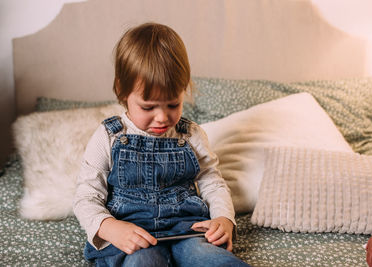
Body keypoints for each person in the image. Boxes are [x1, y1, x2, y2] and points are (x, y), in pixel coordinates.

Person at [73, 22, 250, 267]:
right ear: (121, 90)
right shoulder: (109, 135)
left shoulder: (190, 135)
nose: (162, 117)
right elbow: (86, 196)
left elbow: (212, 181)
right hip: (130, 234)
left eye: (173, 104)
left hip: (187, 229)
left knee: (213, 261)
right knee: (143, 263)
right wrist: (110, 227)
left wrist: (224, 218)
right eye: (148, 107)